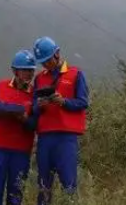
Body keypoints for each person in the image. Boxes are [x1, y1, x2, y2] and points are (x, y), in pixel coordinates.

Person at [31, 36, 89, 205]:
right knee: (43, 185)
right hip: (45, 138)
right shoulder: (39, 78)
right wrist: (39, 105)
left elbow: (83, 102)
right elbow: (33, 106)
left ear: (57, 54)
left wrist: (63, 102)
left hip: (66, 138)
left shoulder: (75, 74)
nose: (46, 65)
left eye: (48, 60)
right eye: (43, 62)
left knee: (68, 183)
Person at [0, 49, 37, 205]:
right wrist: (7, 109)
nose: (29, 74)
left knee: (16, 195)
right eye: (25, 70)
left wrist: (24, 119)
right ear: (15, 70)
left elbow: (35, 123)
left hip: (21, 151)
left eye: (31, 71)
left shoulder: (35, 94)